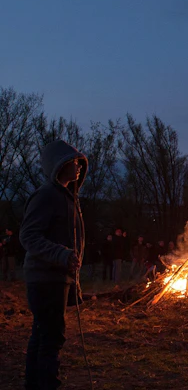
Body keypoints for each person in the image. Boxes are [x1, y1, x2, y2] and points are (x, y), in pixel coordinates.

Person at [19, 139, 87, 390]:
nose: (78, 165)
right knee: (51, 339)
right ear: (59, 164)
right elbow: (28, 236)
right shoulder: (46, 195)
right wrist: (61, 254)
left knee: (42, 336)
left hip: (56, 279)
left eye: (79, 161)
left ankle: (34, 385)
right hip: (45, 280)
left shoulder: (67, 197)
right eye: (73, 161)